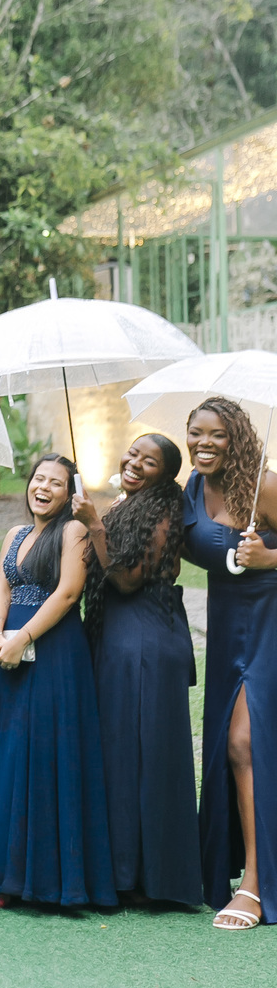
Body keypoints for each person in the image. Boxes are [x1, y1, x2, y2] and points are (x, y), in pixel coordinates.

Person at [0, 453, 116, 911]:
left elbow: (69, 593)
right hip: (11, 650)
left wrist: (23, 637)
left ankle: (51, 878)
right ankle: (2, 874)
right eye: (39, 479)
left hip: (54, 651)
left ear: (69, 492)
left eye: (56, 482)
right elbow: (2, 587)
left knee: (45, 753)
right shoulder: (15, 535)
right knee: (11, 754)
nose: (43, 488)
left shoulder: (73, 531)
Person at [78, 433, 201, 909]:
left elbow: (128, 580)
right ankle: (119, 870)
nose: (134, 462)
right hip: (118, 636)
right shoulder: (128, 505)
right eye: (132, 453)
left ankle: (148, 878)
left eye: (148, 461)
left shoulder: (166, 509)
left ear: (166, 475)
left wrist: (94, 524)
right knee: (120, 752)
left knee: (142, 755)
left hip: (144, 639)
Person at [182, 397, 277, 929]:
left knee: (245, 743)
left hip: (271, 621)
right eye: (196, 432)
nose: (204, 443)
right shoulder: (194, 487)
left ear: (236, 438)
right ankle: (229, 868)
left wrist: (268, 556)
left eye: (217, 434)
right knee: (229, 746)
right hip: (225, 627)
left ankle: (255, 887)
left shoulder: (265, 486)